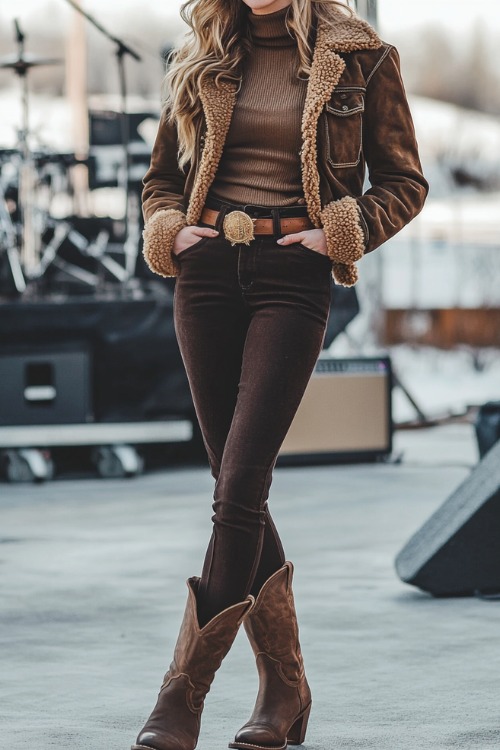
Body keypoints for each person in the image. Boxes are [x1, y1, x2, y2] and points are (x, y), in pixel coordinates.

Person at [132, 0, 428, 749]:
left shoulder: (363, 57)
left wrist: (341, 231)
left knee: (239, 485)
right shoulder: (203, 51)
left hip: (293, 276)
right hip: (203, 277)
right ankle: (285, 687)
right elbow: (160, 180)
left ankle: (182, 696)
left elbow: (405, 181)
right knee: (233, 481)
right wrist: (173, 232)